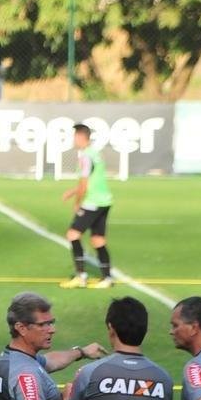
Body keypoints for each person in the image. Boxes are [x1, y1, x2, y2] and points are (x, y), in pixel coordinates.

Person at [60, 124, 114, 290]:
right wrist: (72, 191)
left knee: (72, 235)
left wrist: (77, 202)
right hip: (105, 201)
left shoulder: (85, 156)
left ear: (81, 136)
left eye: (75, 136)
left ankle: (80, 276)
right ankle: (107, 278)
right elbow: (93, 179)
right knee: (98, 240)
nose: (73, 139)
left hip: (92, 202)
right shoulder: (95, 153)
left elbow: (84, 183)